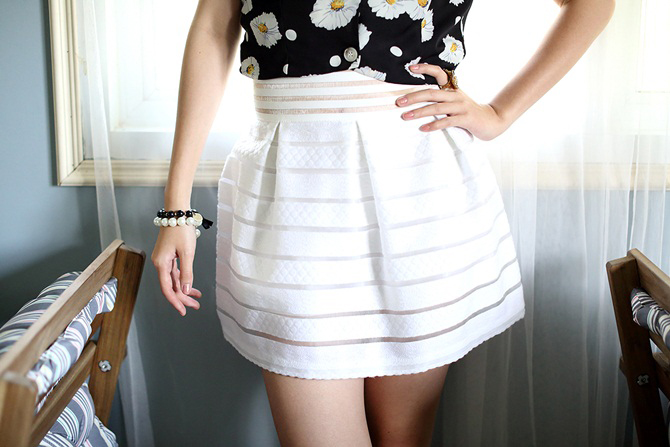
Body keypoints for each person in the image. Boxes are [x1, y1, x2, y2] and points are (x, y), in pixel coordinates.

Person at [151, 0, 615, 445]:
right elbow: (213, 28)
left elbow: (592, 3)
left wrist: (498, 114)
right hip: (293, 195)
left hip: (420, 193)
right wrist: (176, 208)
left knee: (403, 438)